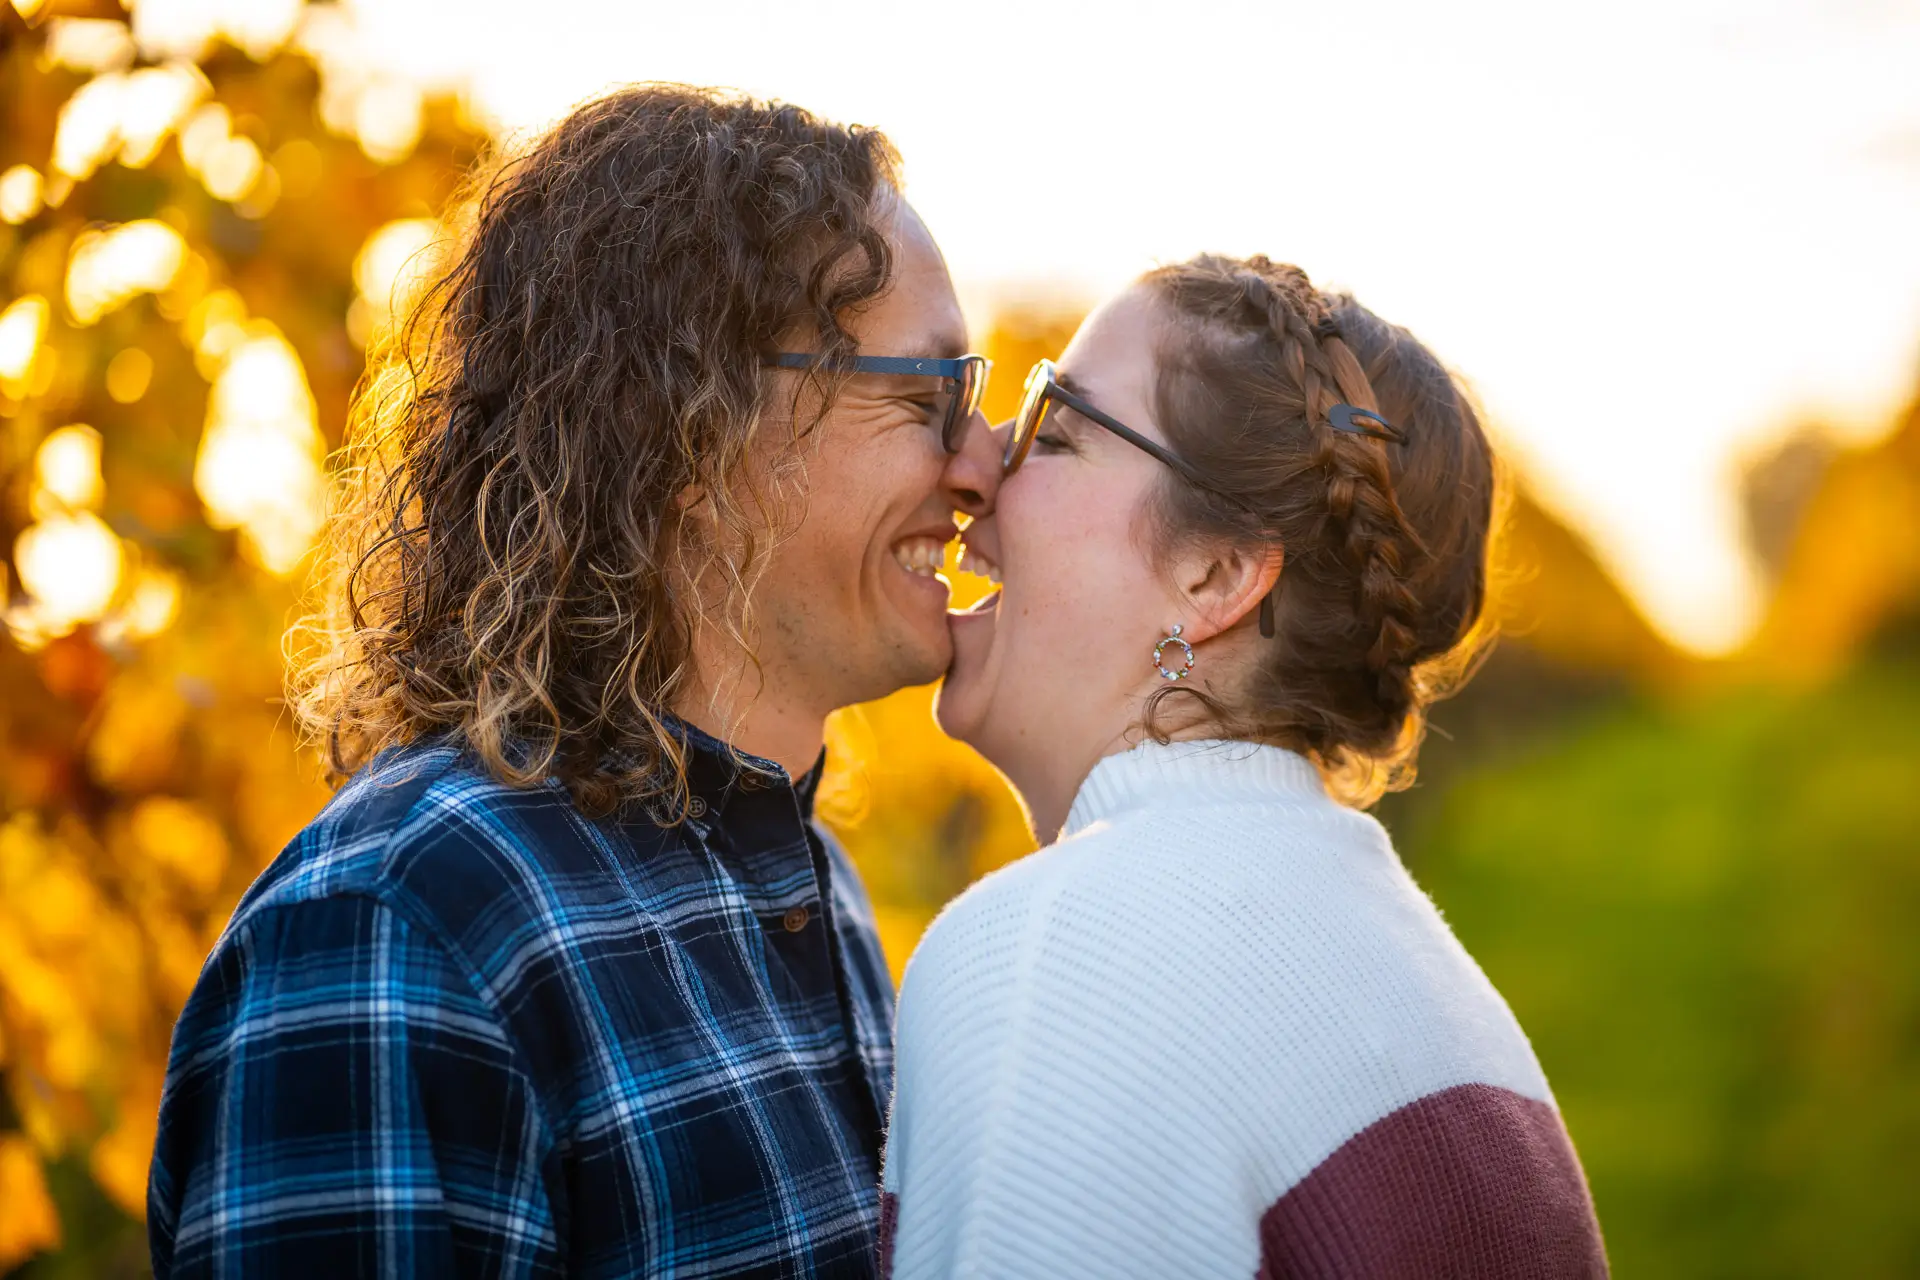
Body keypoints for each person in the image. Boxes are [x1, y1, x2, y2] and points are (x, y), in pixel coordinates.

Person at [148, 85, 1000, 1278]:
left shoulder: (816, 889)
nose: (984, 462)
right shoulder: (400, 937)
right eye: (929, 397)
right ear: (690, 434)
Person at [880, 256, 1609, 1278]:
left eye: (1055, 426)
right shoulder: (1434, 990)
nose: (983, 459)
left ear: (1214, 575)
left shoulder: (1061, 956)